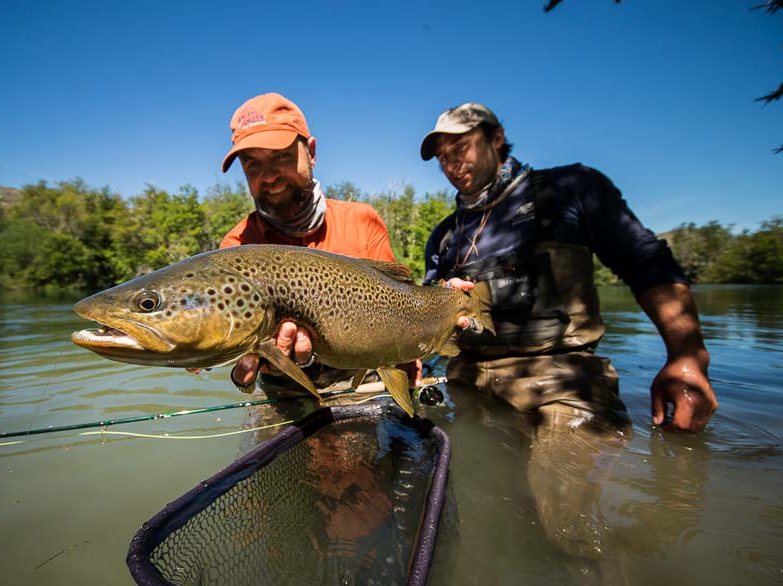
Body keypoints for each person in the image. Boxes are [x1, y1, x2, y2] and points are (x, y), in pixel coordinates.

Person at [419, 102, 718, 433]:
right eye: (443, 158)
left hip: (565, 389)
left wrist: (687, 356)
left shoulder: (570, 189)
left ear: (498, 138)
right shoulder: (444, 236)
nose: (452, 163)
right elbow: (424, 305)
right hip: (465, 387)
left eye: (461, 146)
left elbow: (646, 261)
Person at [217, 92, 401, 393]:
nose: (270, 176)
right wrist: (242, 377)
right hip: (283, 392)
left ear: (311, 152)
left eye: (281, 156)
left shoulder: (363, 221)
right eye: (253, 165)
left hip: (360, 385)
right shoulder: (237, 246)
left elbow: (402, 312)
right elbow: (232, 360)